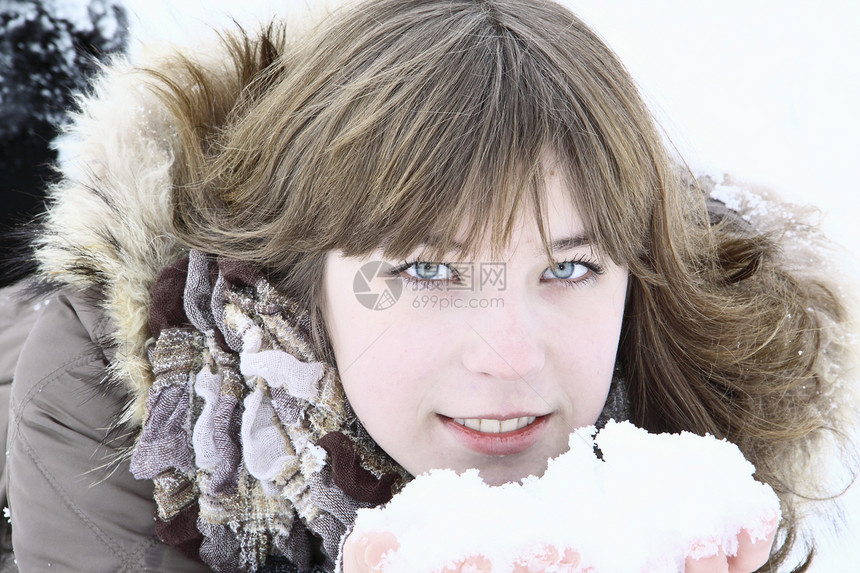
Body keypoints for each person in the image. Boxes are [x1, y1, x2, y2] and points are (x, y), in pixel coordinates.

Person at [3, 0, 856, 571]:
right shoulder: (105, 418)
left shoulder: (706, 425)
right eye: (426, 268)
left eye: (568, 267)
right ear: (303, 285)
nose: (510, 359)